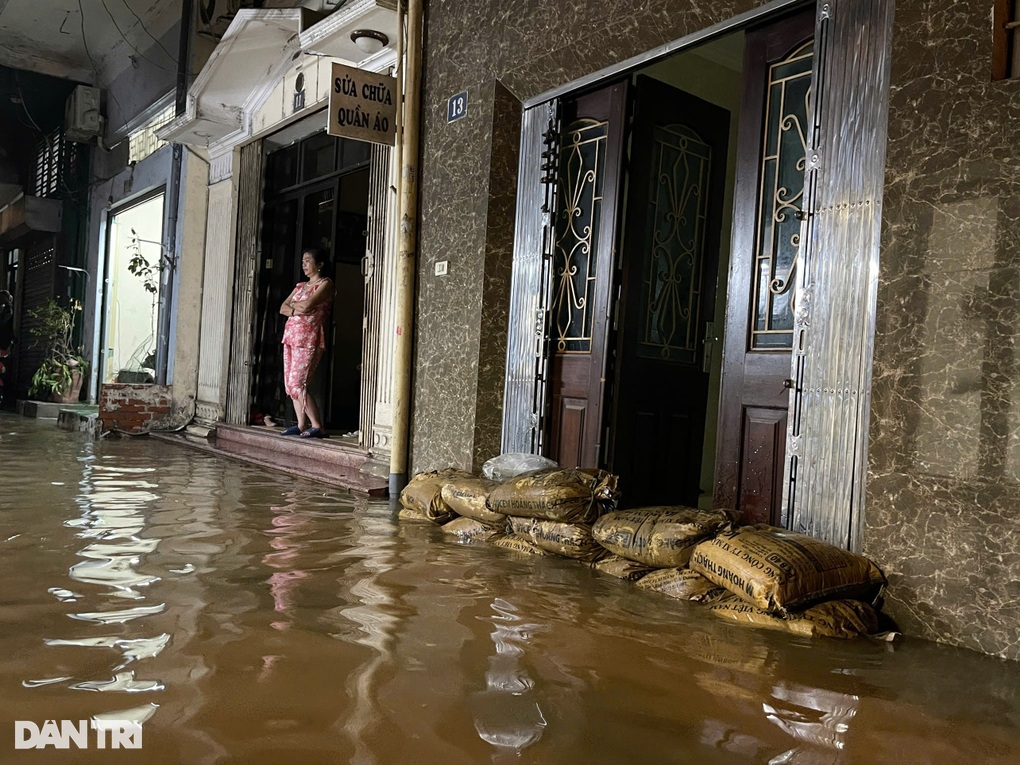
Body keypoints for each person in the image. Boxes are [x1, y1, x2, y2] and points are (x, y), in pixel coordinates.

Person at [278, 249, 335, 438]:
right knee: (290, 385)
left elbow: (309, 305)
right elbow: (282, 307)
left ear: (319, 264)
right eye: (303, 260)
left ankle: (318, 426)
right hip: (291, 337)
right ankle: (301, 424)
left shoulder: (325, 284)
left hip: (308, 337)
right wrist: (296, 309)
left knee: (297, 383)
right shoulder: (300, 285)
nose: (304, 264)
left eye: (308, 260)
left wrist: (294, 307)